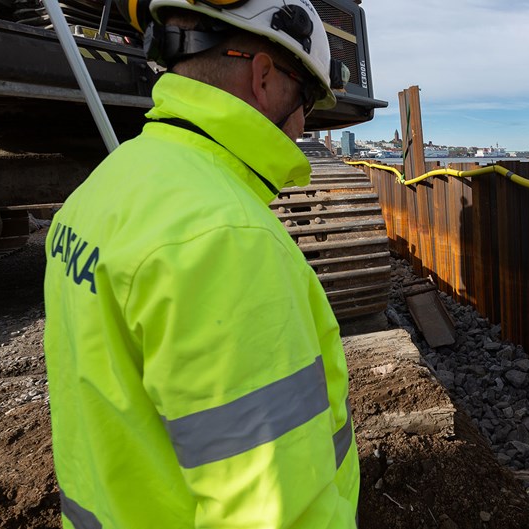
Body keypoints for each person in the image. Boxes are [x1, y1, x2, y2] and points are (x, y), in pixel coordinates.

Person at [43, 1, 357, 527]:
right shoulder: (227, 240)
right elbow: (271, 511)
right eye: (305, 100)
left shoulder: (101, 190)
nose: (303, 125)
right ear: (263, 77)